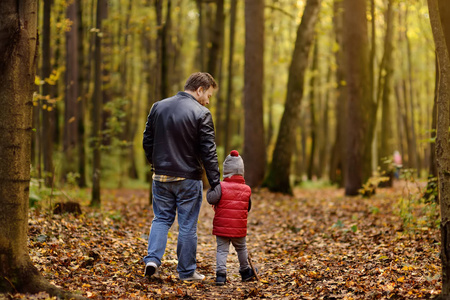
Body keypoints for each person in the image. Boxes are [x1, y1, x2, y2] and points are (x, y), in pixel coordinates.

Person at [142, 72, 220, 281]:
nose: (208, 101)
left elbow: (147, 140)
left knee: (161, 219)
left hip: (161, 176)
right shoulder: (201, 113)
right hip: (188, 178)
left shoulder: (158, 106)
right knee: (187, 225)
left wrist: (155, 164)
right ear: (200, 89)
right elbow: (208, 152)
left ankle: (152, 260)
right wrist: (215, 183)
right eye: (209, 95)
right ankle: (186, 272)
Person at [206, 150, 257, 285]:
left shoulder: (220, 187)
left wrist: (211, 189)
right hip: (239, 228)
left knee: (222, 250)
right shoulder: (246, 189)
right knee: (241, 248)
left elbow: (211, 199)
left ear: (226, 171)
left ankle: (221, 275)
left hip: (222, 227)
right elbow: (248, 207)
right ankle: (245, 271)